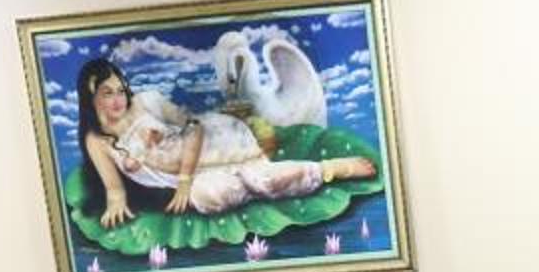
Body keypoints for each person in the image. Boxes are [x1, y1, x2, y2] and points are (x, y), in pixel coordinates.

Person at [72, 56, 375, 227]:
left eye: (120, 90)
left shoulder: (146, 101)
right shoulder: (96, 140)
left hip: (217, 143)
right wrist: (115, 202)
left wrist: (184, 182)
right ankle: (256, 185)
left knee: (261, 178)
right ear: (90, 96)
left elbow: (193, 127)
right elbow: (115, 189)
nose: (118, 99)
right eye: (107, 93)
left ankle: (329, 168)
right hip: (198, 179)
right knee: (210, 197)